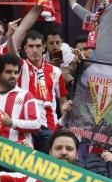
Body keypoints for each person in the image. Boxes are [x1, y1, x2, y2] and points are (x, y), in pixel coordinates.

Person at [9, 12, 68, 151]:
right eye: (31, 46)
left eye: (37, 46)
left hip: (49, 127)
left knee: (47, 166)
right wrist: (10, 36)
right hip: (25, 125)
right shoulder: (20, 66)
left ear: (43, 48)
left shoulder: (55, 71)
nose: (34, 50)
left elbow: (63, 102)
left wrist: (63, 123)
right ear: (25, 49)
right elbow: (11, 53)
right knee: (27, 164)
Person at [0, 54, 40, 145]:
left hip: (16, 154)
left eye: (16, 72)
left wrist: (11, 122)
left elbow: (36, 124)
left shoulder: (26, 95)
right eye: (8, 72)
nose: (13, 76)